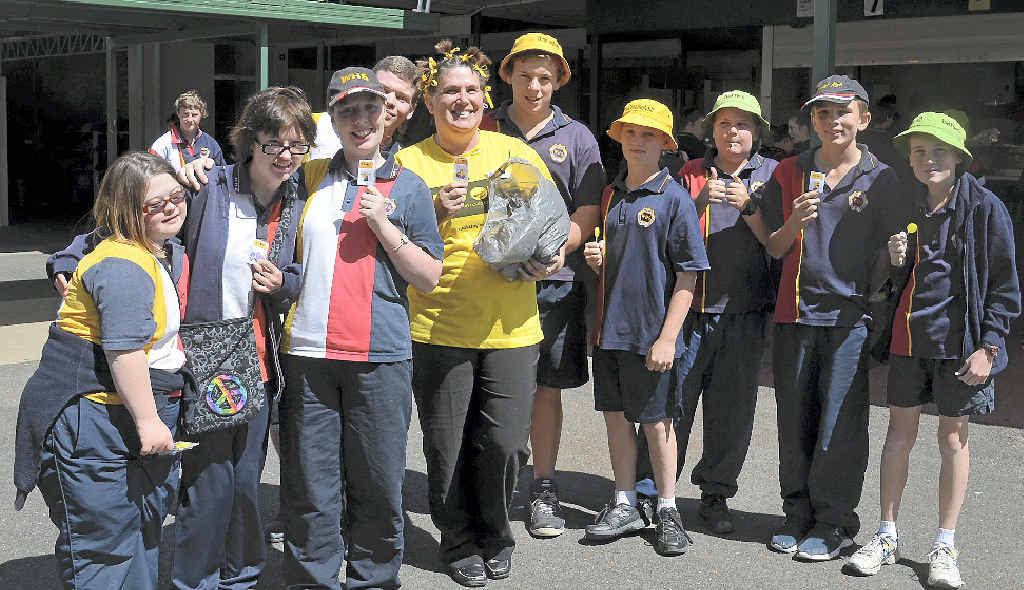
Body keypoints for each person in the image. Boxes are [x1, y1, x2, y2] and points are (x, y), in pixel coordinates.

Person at [51, 87, 314, 589]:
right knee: (209, 485)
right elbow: (133, 218)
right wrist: (68, 258)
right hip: (204, 360)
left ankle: (242, 577)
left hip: (259, 361)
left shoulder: (298, 199)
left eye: (297, 145)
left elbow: (301, 270)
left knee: (246, 482)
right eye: (274, 143)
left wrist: (284, 283)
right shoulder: (206, 185)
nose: (286, 156)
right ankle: (197, 581)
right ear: (250, 141)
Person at [394, 39, 560, 587]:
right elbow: (388, 239)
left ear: (485, 96)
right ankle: (458, 540)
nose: (461, 100)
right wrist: (434, 210)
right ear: (430, 102)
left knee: (505, 444)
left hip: (512, 327)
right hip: (437, 325)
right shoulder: (409, 164)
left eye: (470, 90)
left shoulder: (514, 154)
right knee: (447, 446)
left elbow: (550, 224)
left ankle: (496, 533)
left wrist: (551, 257)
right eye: (449, 92)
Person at [278, 67, 443, 590]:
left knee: (377, 483)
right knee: (310, 484)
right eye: (347, 110)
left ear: (386, 113)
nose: (361, 119)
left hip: (380, 356)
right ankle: (313, 579)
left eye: (370, 108)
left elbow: (430, 276)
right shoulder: (307, 177)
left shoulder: (409, 186)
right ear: (333, 119)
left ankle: (373, 578)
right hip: (308, 355)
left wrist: (383, 225)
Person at [846, 112, 1020, 588]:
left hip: (961, 347)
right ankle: (886, 535)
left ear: (960, 157)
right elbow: (888, 280)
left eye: (939, 151)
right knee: (898, 435)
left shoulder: (985, 208)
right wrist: (893, 259)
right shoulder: (907, 204)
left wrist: (989, 347)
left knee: (953, 440)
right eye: (919, 152)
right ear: (910, 159)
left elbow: (1005, 288)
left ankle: (945, 544)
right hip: (909, 340)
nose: (929, 160)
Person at [14, 151, 189, 589]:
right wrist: (149, 421)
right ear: (126, 210)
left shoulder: (153, 251)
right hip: (96, 423)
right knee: (105, 552)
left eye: (177, 195)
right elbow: (124, 351)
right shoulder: (122, 264)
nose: (172, 207)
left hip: (117, 416)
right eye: (156, 203)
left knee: (139, 540)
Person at [760, 75, 904, 561]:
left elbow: (892, 254)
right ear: (812, 121)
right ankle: (796, 514)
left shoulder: (881, 178)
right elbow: (774, 247)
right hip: (795, 315)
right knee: (794, 421)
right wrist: (794, 222)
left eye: (843, 112)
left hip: (849, 321)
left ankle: (834, 521)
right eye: (822, 113)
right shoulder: (789, 171)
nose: (832, 121)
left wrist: (890, 269)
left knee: (840, 427)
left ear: (863, 119)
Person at [635, 90, 778, 535]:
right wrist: (698, 203)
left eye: (742, 124)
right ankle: (651, 490)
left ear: (757, 132)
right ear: (711, 130)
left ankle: (716, 493)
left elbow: (781, 243)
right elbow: (663, 233)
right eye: (724, 124)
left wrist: (749, 206)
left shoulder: (773, 175)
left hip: (744, 311)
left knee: (731, 412)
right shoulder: (688, 172)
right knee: (671, 403)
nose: (733, 132)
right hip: (689, 311)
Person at [482, 32, 605, 539]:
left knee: (546, 387)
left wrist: (559, 251)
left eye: (545, 79)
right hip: (489, 281)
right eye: (526, 76)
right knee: (490, 384)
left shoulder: (577, 137)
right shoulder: (484, 127)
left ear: (558, 83)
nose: (535, 87)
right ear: (508, 76)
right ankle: (490, 483)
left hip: (556, 281)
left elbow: (588, 207)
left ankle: (543, 486)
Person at [582, 99, 709, 557]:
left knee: (658, 423)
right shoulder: (610, 195)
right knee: (616, 418)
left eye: (649, 134)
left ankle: (668, 508)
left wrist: (669, 338)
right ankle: (625, 501)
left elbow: (688, 276)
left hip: (652, 335)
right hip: (609, 331)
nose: (638, 141)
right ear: (619, 138)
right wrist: (597, 260)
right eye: (631, 132)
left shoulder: (674, 198)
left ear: (665, 144)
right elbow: (620, 262)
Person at [308, 56, 420, 161]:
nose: (390, 101)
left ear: (411, 110)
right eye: (384, 90)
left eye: (402, 98)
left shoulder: (407, 162)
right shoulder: (315, 126)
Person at [150, 90, 225, 171]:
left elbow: (222, 172)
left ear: (202, 115)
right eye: (186, 114)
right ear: (178, 113)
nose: (190, 119)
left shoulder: (210, 143)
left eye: (194, 115)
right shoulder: (163, 144)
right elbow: (150, 173)